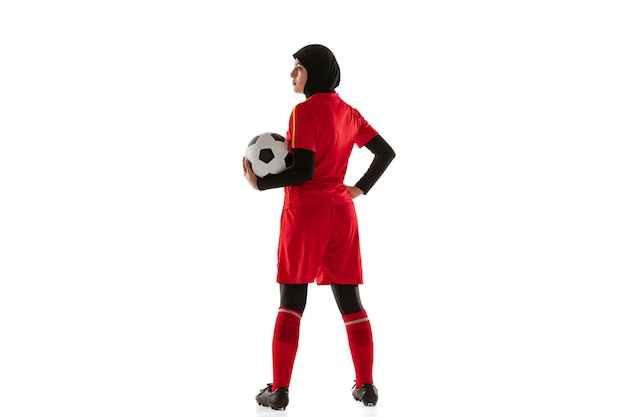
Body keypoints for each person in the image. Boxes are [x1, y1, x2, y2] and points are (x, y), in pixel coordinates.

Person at [242, 44, 395, 410]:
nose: (292, 75)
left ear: (314, 71)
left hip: (305, 215)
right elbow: (385, 152)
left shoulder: (303, 112)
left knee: (292, 302)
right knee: (351, 303)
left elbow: (304, 170)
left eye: (297, 68)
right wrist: (358, 189)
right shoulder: (350, 113)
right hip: (342, 214)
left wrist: (259, 184)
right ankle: (367, 385)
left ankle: (279, 390)